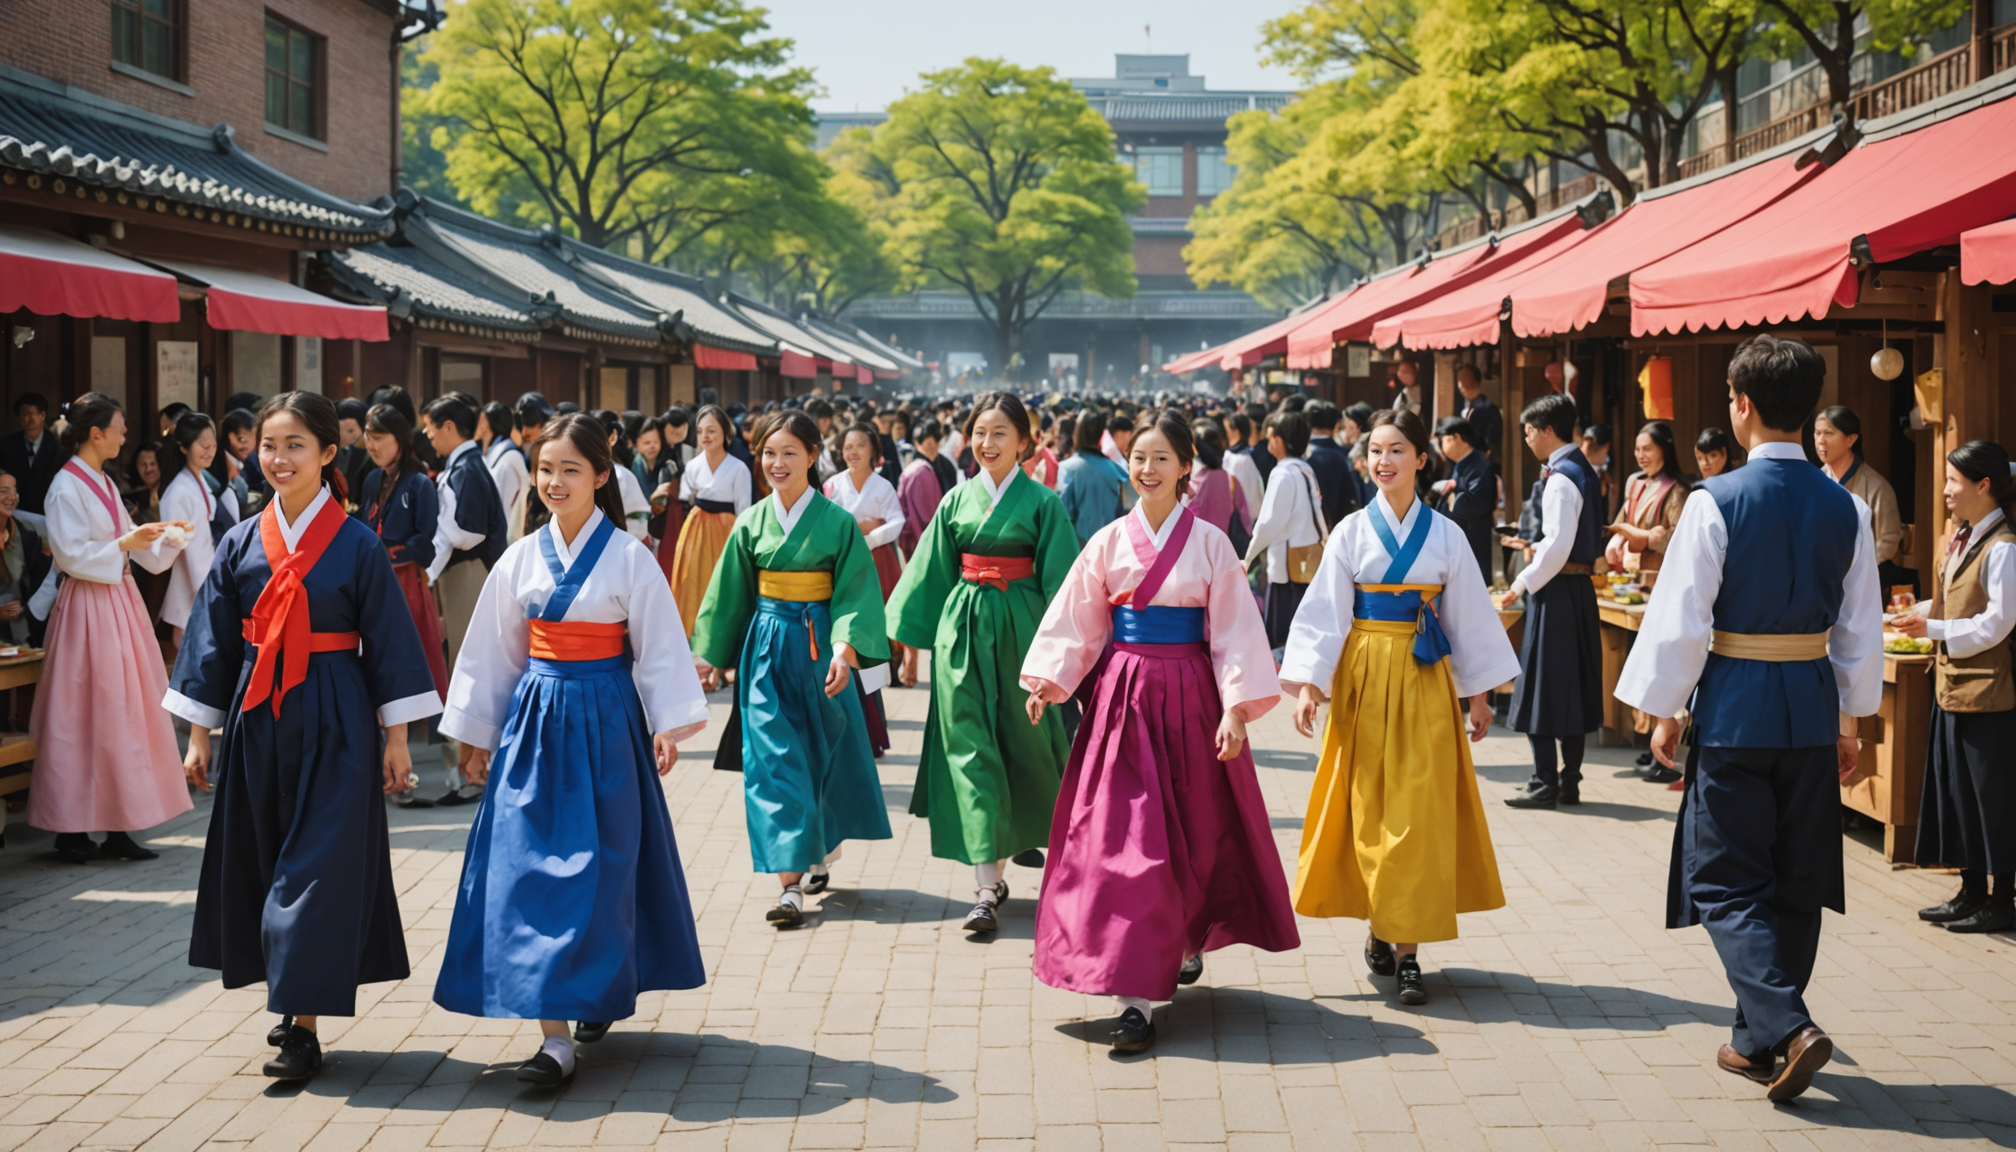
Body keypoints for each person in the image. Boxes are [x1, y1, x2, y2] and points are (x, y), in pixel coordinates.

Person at [1616, 332, 1881, 1103]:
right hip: (1808, 704)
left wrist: (1663, 708)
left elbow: (1682, 618)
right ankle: (1753, 1039)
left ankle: (1788, 1026)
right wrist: (1851, 720)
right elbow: (1859, 625)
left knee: (1725, 879)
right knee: (1797, 877)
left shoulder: (1715, 501)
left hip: (1734, 707)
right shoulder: (1847, 505)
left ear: (1741, 404)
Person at [168, 391, 442, 1082]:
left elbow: (388, 645)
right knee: (265, 859)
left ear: (327, 454)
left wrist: (399, 738)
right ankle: (291, 1001)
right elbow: (211, 646)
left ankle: (305, 1028)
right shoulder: (238, 542)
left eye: (296, 446)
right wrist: (201, 735)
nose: (279, 458)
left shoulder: (357, 545)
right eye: (269, 445)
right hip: (259, 714)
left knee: (317, 869)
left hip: (337, 716)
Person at [433, 413, 708, 1086]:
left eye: (570, 470)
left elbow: (658, 649)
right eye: (545, 470)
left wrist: (665, 725)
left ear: (601, 476)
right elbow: (495, 653)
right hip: (533, 722)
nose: (555, 483)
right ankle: (553, 1036)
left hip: (608, 719)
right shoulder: (519, 557)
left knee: (601, 870)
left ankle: (594, 989)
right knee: (528, 868)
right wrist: (475, 737)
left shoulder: (630, 557)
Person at [1021, 409, 1298, 1053]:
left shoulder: (1211, 545)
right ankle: (1134, 999)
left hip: (1194, 697)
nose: (1146, 469)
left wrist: (1235, 709)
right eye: (1138, 458)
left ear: (1186, 469)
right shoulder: (1108, 542)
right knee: (1125, 843)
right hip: (1122, 702)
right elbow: (1079, 621)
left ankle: (1182, 937)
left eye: (1160, 459)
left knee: (1194, 837)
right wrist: (1049, 682)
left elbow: (1232, 631)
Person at [1282, 408, 1519, 1006]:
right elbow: (1325, 613)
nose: (1382, 461)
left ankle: (1409, 951)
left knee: (1418, 811)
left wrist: (1480, 694)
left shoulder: (1447, 535)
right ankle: (1379, 924)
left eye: (1395, 450)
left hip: (1424, 678)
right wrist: (1311, 684)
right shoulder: (1350, 532)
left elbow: (1469, 617)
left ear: (1421, 458)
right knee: (1368, 808)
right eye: (1375, 451)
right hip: (1362, 676)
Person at [691, 411, 892, 927]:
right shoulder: (751, 523)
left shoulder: (838, 523)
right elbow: (728, 595)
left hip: (821, 646)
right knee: (773, 761)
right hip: (765, 649)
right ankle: (788, 884)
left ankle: (818, 848)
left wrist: (845, 650)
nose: (777, 464)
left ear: (811, 456)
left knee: (822, 755)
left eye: (789, 453)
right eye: (768, 454)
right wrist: (708, 655)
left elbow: (856, 593)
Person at [888, 391, 1078, 936]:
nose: (987, 443)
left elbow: (1066, 585)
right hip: (963, 632)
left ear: (1025, 442)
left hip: (1025, 633)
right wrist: (893, 645)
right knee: (968, 748)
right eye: (979, 432)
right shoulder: (956, 501)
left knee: (1027, 746)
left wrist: (1062, 660)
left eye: (1000, 433)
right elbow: (929, 572)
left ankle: (1037, 852)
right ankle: (984, 886)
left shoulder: (1044, 505)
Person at [28, 393, 191, 863]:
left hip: (115, 602)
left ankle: (121, 821)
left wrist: (167, 537)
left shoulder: (99, 479)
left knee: (123, 713)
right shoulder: (66, 484)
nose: (125, 434)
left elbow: (128, 542)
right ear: (96, 433)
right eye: (119, 427)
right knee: (83, 713)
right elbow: (69, 553)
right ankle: (71, 828)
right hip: (89, 605)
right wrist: (128, 540)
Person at [1892, 440, 2016, 934]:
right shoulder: (1961, 536)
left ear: (1983, 486)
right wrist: (1921, 612)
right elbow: (1955, 603)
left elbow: (1997, 623)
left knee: (1994, 799)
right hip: (1951, 687)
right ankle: (1970, 890)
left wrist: (1935, 630)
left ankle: (2002, 900)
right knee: (1958, 794)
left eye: (1953, 482)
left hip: (1988, 694)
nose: (1945, 491)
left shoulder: (2004, 548)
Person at [1497, 393, 1604, 810]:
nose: (1526, 439)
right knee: (1573, 686)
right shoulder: (1584, 471)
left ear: (1547, 430)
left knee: (1539, 687)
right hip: (1577, 590)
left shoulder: (1560, 477)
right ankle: (1569, 782)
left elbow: (1557, 546)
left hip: (1555, 590)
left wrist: (1521, 583)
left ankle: (1544, 781)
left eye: (1528, 431)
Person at [358, 404, 452, 799]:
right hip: (372, 580)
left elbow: (426, 544)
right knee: (370, 663)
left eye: (380, 436)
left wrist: (386, 552)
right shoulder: (371, 480)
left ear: (401, 440)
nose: (371, 443)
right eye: (368, 434)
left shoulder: (421, 484)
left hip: (407, 581)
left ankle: (426, 765)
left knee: (408, 664)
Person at [421, 397, 509, 807]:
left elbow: (467, 532)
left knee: (467, 668)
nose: (427, 434)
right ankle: (466, 769)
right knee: (462, 666)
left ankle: (472, 770)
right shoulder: (467, 465)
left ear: (450, 427)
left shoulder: (469, 468)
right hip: (462, 575)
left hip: (470, 574)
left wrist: (431, 553)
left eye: (431, 427)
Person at [824, 422, 905, 750]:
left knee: (871, 637)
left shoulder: (882, 486)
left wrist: (870, 536)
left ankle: (873, 729)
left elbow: (897, 522)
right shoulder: (831, 485)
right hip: (839, 566)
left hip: (876, 563)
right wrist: (862, 525)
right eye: (846, 447)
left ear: (873, 450)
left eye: (859, 446)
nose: (852, 452)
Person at [1245, 412, 1326, 656]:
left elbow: (1268, 523)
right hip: (1307, 556)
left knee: (1283, 632)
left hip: (1286, 563)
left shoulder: (1282, 473)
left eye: (1270, 436)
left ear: (1279, 440)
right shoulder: (1304, 469)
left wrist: (1248, 557)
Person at [671, 405, 753, 639]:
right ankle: (693, 636)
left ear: (726, 434)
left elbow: (744, 510)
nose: (705, 436)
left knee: (723, 585)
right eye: (700, 431)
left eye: (712, 431)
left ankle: (722, 641)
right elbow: (686, 497)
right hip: (697, 527)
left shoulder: (739, 468)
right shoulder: (694, 465)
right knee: (693, 581)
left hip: (728, 528)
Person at [159, 414, 241, 645]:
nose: (210, 452)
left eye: (214, 446)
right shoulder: (178, 492)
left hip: (204, 580)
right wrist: (211, 594)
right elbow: (192, 554)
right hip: (193, 588)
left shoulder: (198, 481)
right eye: (204, 446)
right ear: (184, 447)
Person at [1813, 404, 1905, 595]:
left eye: (1828, 433)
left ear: (1851, 439)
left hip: (1865, 581)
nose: (1820, 440)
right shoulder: (1814, 482)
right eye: (1817, 433)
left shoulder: (1876, 487)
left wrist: (1853, 567)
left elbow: (1888, 542)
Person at [1606, 421, 1689, 589]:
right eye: (1637, 449)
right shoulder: (1636, 483)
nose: (1640, 455)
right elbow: (1623, 522)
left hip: (1662, 581)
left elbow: (1681, 539)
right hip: (1631, 578)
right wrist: (1617, 539)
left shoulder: (1678, 491)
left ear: (1664, 450)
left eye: (1647, 449)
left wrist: (1647, 538)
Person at [1432, 416, 1494, 580]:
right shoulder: (1462, 463)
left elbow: (1479, 504)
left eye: (1444, 440)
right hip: (1460, 539)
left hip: (1472, 539)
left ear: (1456, 438)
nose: (1442, 446)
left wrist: (1452, 493)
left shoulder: (1479, 463)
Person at [1058, 412, 1132, 547]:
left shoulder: (1067, 468)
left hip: (1078, 550)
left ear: (1077, 433)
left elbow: (1063, 515)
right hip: (1111, 548)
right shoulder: (1117, 470)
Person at [0, 471, 50, 651]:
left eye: (15, 490)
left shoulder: (26, 535)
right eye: (3, 491)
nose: (12, 497)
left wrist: (24, 609)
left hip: (22, 628)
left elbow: (39, 579)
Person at [1186, 420, 1252, 540]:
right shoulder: (1230, 479)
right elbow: (1246, 519)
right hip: (1223, 546)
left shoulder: (1193, 482)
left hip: (1199, 547)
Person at [478, 402, 529, 543]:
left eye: (480, 418)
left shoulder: (508, 458)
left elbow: (505, 509)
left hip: (506, 541)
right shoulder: (490, 454)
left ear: (488, 424)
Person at [0, 392, 59, 515]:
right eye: (25, 414)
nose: (30, 420)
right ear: (19, 417)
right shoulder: (6, 445)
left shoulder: (57, 446)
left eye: (35, 414)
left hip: (47, 513)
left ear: (43, 415)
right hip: (15, 513)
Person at [897, 418, 947, 560]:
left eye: (934, 445)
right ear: (917, 444)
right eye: (927, 445)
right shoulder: (920, 472)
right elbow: (925, 516)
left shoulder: (940, 466)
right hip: (923, 542)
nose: (931, 450)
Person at [1305, 402, 1358, 529]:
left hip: (1306, 530)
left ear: (1309, 424)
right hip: (1340, 526)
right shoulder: (1346, 455)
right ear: (1336, 425)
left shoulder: (1302, 455)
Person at [1456, 366, 1502, 459]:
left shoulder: (1489, 410)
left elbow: (1492, 443)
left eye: (1463, 379)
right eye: (1458, 380)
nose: (1460, 384)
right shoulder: (1461, 407)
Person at [334, 399, 373, 505]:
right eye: (349, 431)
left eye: (351, 431)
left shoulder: (370, 454)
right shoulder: (330, 451)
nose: (356, 435)